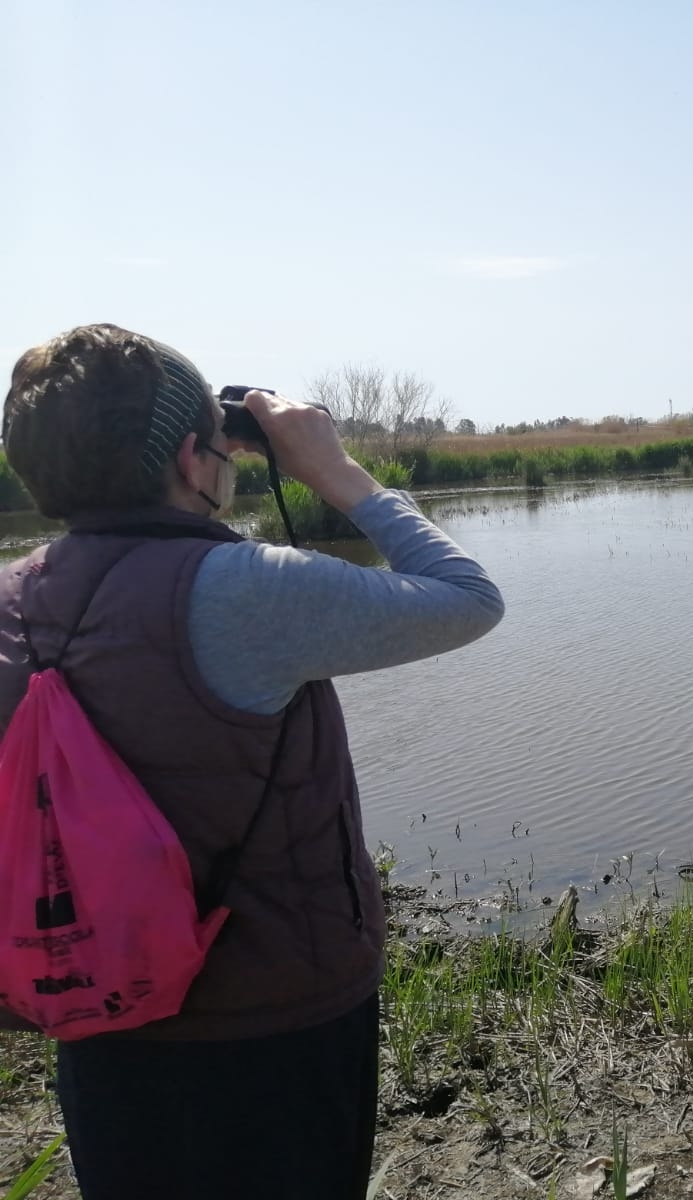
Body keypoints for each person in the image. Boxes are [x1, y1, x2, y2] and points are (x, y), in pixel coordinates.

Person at [0, 324, 505, 1199]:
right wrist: (336, 473)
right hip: (272, 1018)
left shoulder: (12, 601)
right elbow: (467, 601)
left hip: (95, 1002)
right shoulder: (246, 589)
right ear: (198, 462)